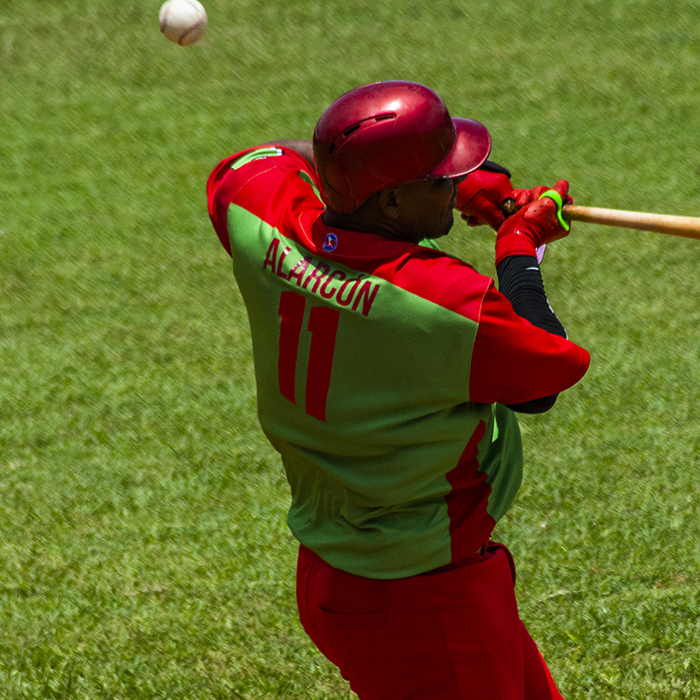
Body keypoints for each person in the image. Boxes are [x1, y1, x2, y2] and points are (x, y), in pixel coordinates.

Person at [205, 80, 590, 699]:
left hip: (342, 570)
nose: (454, 182)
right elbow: (544, 377)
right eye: (441, 177)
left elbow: (265, 157)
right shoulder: (440, 299)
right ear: (388, 203)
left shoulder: (261, 219)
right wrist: (520, 249)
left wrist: (456, 186)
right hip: (425, 598)